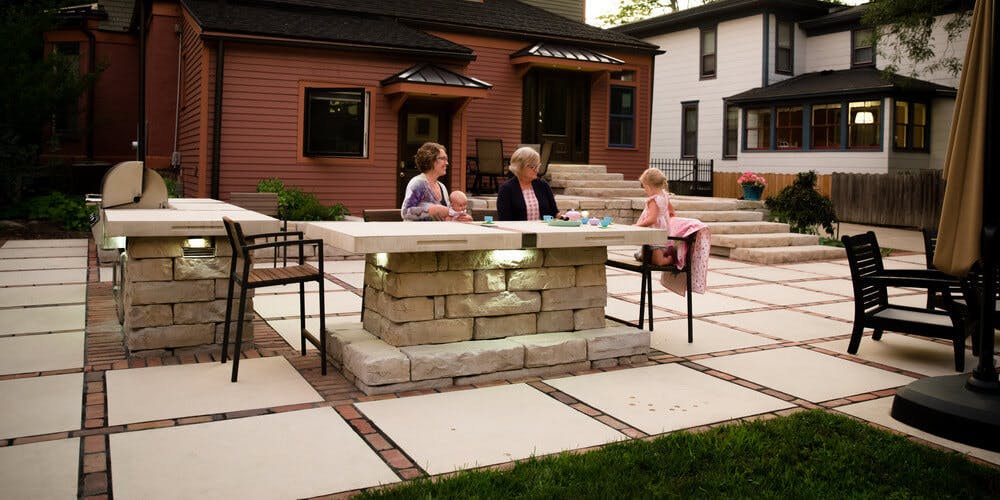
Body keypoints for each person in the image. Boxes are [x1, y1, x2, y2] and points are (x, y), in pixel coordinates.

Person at [401, 142, 472, 221]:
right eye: (442, 159)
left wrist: (460, 218)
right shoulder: (418, 183)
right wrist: (430, 211)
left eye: (446, 159)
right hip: (418, 232)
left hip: (438, 232)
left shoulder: (442, 187)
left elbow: (445, 217)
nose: (447, 163)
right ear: (430, 160)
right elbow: (405, 212)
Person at [496, 146, 558, 221]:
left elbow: (554, 212)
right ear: (519, 167)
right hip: (518, 231)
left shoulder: (543, 185)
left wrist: (565, 216)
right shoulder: (506, 189)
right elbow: (504, 219)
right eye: (532, 167)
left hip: (542, 230)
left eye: (538, 166)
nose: (537, 170)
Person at [634, 168, 676, 266]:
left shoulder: (654, 200)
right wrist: (666, 221)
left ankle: (670, 259)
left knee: (658, 262)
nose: (645, 190)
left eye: (644, 187)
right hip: (658, 230)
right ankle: (641, 253)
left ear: (648, 187)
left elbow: (652, 219)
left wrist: (637, 225)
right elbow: (672, 212)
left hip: (656, 232)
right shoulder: (664, 195)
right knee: (646, 257)